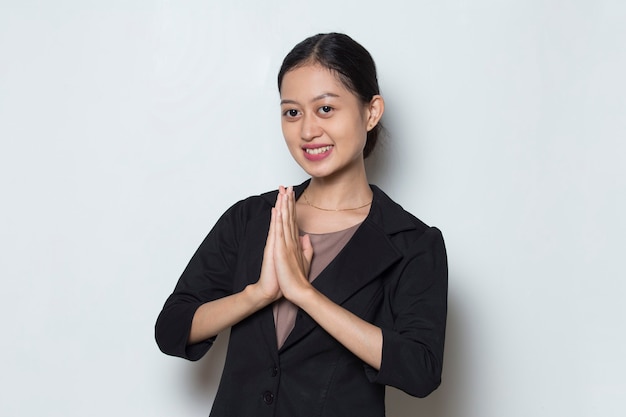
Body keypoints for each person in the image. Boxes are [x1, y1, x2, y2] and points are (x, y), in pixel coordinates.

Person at [155, 32, 448, 417]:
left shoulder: (411, 242)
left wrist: (305, 294)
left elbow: (419, 370)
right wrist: (258, 294)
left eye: (325, 109)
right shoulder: (250, 219)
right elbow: (172, 328)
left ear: (371, 112)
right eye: (292, 112)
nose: (307, 131)